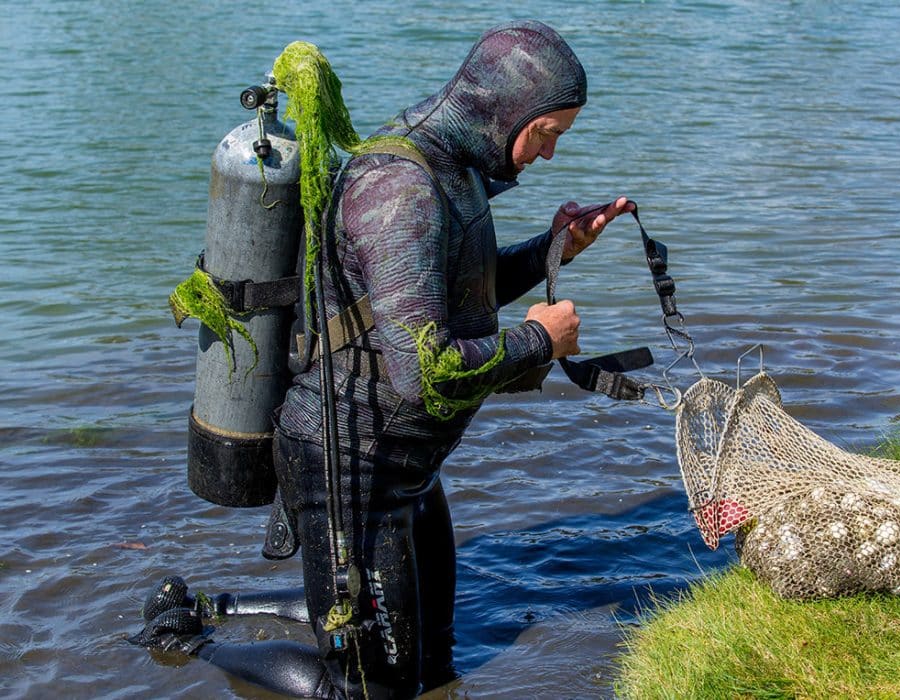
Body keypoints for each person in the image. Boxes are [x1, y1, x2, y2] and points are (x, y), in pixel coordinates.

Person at [131, 20, 634, 699]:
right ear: (501, 109)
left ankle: (226, 605)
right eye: (546, 133)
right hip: (352, 473)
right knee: (366, 691)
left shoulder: (455, 170)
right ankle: (188, 639)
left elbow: (459, 289)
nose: (547, 155)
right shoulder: (401, 190)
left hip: (409, 468)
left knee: (434, 668)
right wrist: (540, 339)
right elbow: (425, 373)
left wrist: (557, 249)